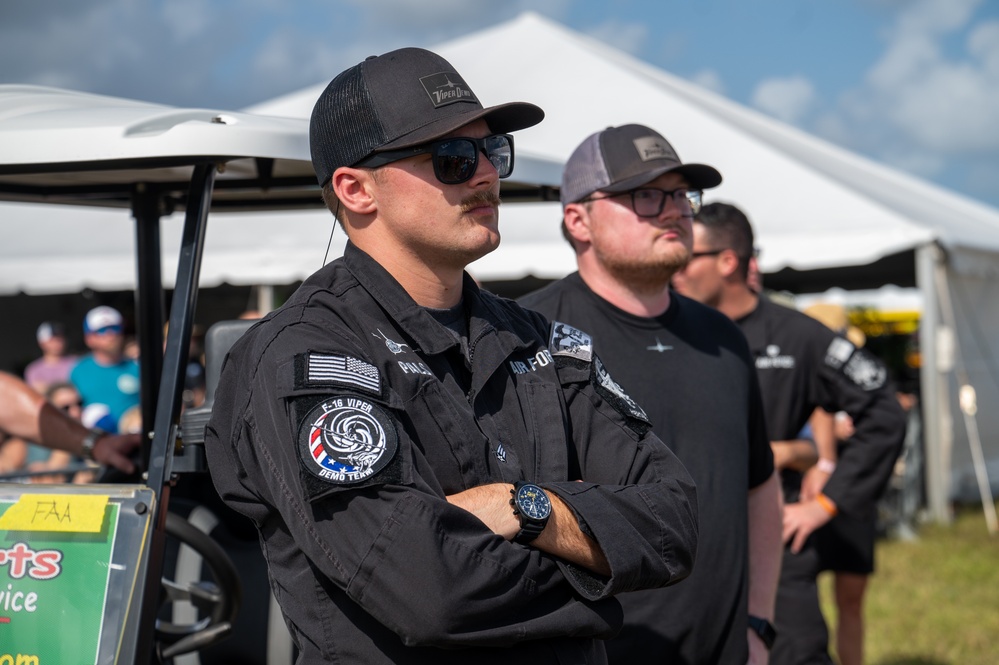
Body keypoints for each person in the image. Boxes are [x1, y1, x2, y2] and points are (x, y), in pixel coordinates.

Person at [204, 48, 698, 664]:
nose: (487, 175)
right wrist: (602, 590)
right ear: (356, 189)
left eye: (494, 152)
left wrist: (524, 506)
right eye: (454, 160)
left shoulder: (543, 343)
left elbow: (673, 523)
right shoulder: (301, 355)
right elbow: (429, 588)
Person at [520, 123, 783, 664]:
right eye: (646, 195)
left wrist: (758, 623)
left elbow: (760, 485)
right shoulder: (528, 336)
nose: (675, 211)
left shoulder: (724, 338)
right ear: (578, 219)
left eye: (683, 195)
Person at [673, 202, 906, 665]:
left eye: (687, 256)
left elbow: (883, 411)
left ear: (727, 262)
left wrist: (826, 501)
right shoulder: (664, 330)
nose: (674, 267)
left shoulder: (798, 335)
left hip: (774, 540)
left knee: (795, 653)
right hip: (687, 541)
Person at [800, 303, 879, 665]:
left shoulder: (859, 375)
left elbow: (881, 422)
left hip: (851, 495)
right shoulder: (794, 372)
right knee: (797, 601)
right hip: (804, 491)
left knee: (851, 600)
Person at [0, 371, 141, 475]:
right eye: (65, 408)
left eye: (79, 404)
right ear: (50, 412)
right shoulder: (21, 446)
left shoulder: (98, 437)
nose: (75, 412)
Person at [70, 305, 140, 432]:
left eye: (115, 328)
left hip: (135, 443)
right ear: (89, 338)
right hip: (95, 445)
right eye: (102, 330)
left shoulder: (137, 367)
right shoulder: (78, 371)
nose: (110, 334)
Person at [23, 321, 78, 393]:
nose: (58, 342)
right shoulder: (34, 370)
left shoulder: (77, 362)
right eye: (53, 339)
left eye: (60, 338)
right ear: (42, 343)